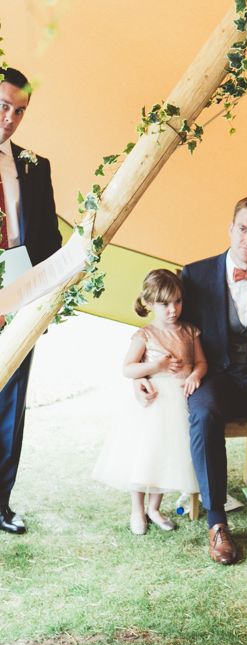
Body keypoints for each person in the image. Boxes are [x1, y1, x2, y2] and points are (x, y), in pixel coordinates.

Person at [145, 195, 247, 582]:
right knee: (202, 412)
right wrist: (143, 373)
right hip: (213, 376)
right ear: (230, 228)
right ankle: (217, 523)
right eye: (242, 229)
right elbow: (166, 329)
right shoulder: (194, 275)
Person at [94, 270, 204, 534]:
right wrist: (156, 364)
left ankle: (155, 508)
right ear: (150, 303)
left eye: (177, 302)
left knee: (166, 457)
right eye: (165, 304)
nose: (172, 309)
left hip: (178, 403)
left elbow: (201, 361)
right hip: (152, 404)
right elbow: (128, 369)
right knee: (143, 455)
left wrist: (196, 375)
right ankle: (137, 510)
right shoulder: (145, 334)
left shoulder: (190, 331)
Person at [0, 67, 62, 535]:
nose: (10, 119)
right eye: (3, 106)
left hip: (23, 299)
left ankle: (0, 503)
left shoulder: (36, 166)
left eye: (19, 111)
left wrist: (48, 291)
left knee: (11, 403)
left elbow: (49, 237)